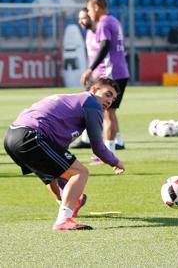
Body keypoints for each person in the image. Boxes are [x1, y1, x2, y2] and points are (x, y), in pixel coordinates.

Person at [4, 78, 126, 230]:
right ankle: (63, 219)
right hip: (32, 136)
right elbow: (98, 148)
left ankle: (68, 203)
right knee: (80, 172)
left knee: (52, 175)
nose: (110, 101)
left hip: (11, 137)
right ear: (94, 90)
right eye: (108, 94)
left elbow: (59, 158)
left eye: (113, 99)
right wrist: (115, 161)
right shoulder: (92, 103)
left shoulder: (72, 100)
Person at [80, 0, 129, 161]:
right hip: (120, 72)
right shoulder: (114, 20)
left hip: (110, 73)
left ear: (95, 7)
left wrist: (90, 69)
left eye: (88, 9)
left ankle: (106, 155)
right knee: (111, 113)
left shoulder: (104, 22)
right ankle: (112, 150)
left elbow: (105, 46)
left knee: (107, 114)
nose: (88, 13)